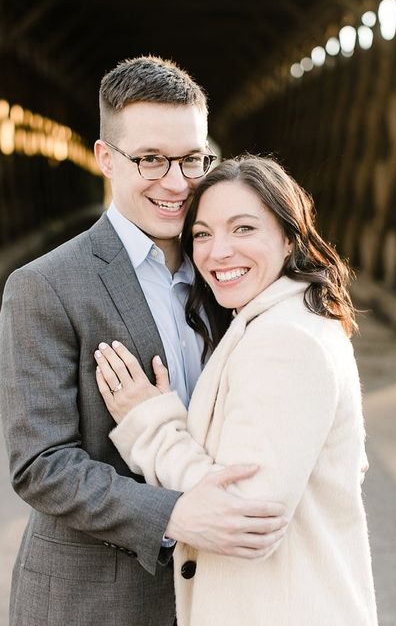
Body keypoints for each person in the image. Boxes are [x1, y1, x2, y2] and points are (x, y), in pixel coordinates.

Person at [0, 58, 287, 626]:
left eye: (194, 159)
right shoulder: (44, 286)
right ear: (106, 158)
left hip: (223, 595)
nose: (177, 182)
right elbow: (41, 464)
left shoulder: (226, 270)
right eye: (151, 159)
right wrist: (176, 516)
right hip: (94, 600)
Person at [94, 155, 379, 626]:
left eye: (243, 229)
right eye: (202, 234)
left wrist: (151, 423)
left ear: (289, 237)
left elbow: (245, 519)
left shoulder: (285, 342)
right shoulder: (287, 321)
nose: (217, 251)